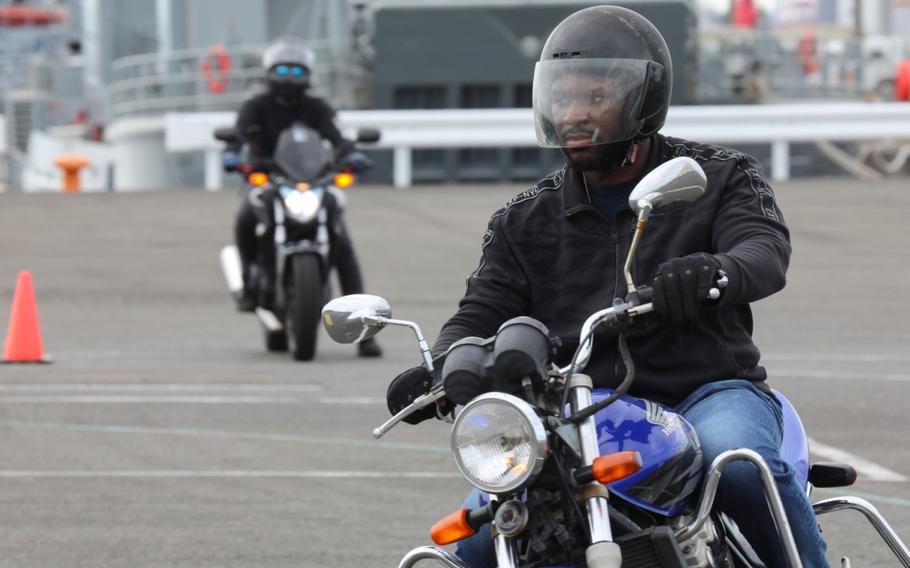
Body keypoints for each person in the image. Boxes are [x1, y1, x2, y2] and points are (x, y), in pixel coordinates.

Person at [385, 5, 829, 567]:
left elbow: (763, 252)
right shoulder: (524, 218)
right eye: (563, 98)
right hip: (579, 411)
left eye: (594, 98)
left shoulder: (719, 175)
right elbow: (480, 312)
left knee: (738, 463)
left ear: (643, 99)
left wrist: (713, 272)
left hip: (706, 392)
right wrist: (446, 363)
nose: (574, 114)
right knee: (480, 536)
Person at [227, 36, 381, 358]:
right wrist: (233, 154)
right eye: (283, 69)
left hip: (312, 183)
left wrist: (352, 155)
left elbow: (338, 138)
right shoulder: (256, 107)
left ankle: (365, 332)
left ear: (308, 74)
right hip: (268, 181)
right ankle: (247, 283)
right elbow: (238, 138)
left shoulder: (317, 108)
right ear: (270, 71)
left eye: (297, 70)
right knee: (244, 219)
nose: (289, 76)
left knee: (342, 244)